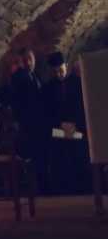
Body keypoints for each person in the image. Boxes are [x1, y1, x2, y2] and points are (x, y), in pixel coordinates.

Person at [41, 51, 90, 194]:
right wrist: (60, 124)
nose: (59, 74)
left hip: (77, 129)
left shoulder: (78, 84)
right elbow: (47, 112)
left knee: (80, 158)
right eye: (55, 71)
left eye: (61, 70)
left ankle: (83, 189)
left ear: (66, 66)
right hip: (58, 131)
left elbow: (84, 107)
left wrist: (76, 125)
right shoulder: (48, 88)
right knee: (61, 161)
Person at [10, 47, 49, 192]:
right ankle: (37, 189)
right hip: (28, 125)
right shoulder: (19, 77)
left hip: (38, 124)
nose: (28, 63)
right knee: (33, 158)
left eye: (30, 59)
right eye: (25, 60)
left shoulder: (36, 76)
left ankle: (43, 187)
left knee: (41, 158)